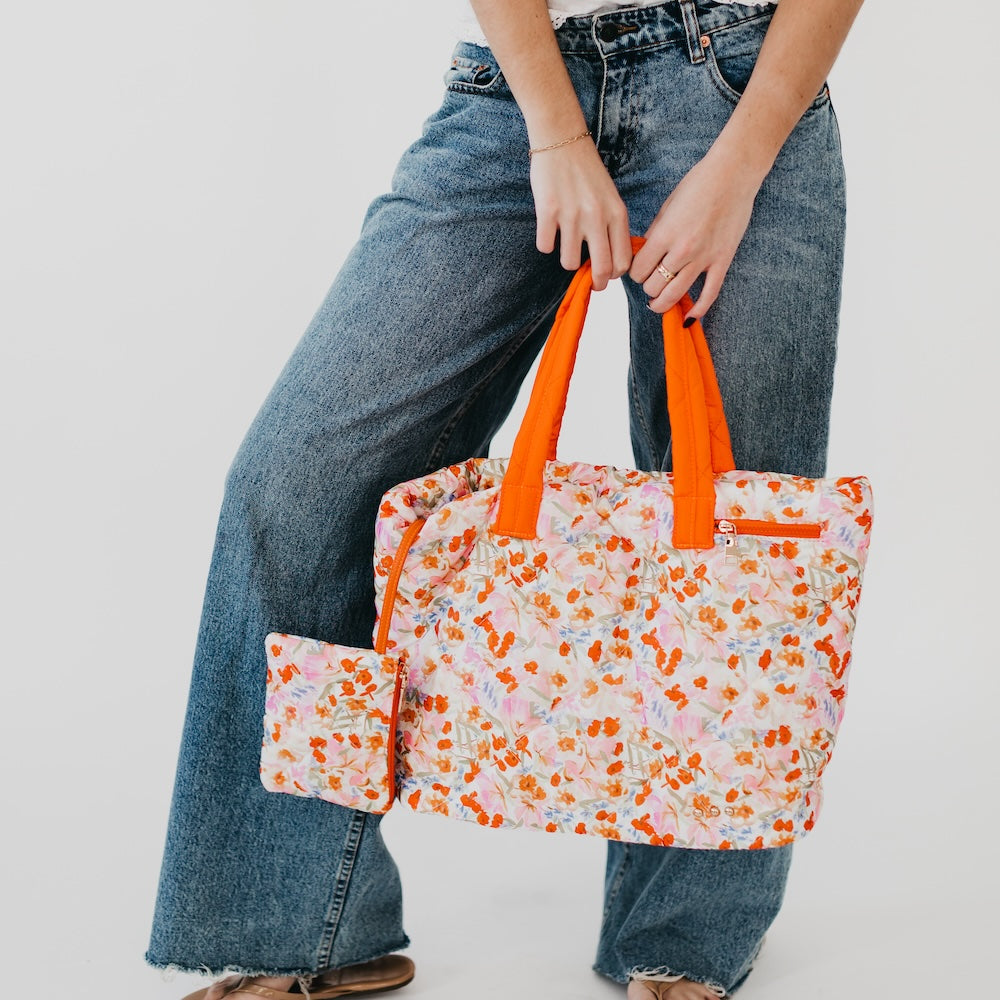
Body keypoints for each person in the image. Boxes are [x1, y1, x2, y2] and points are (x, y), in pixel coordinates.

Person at [147, 1, 864, 998]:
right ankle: (297, 924)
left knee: (738, 542)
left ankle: (683, 939)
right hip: (513, 91)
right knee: (296, 479)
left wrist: (742, 160)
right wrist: (556, 128)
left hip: (741, 85)